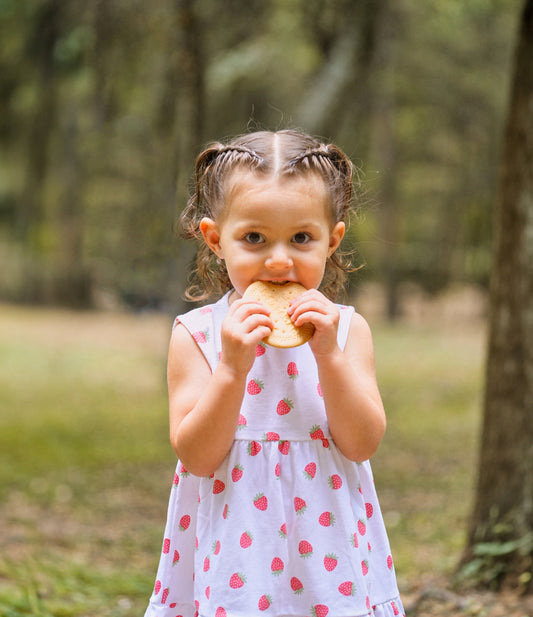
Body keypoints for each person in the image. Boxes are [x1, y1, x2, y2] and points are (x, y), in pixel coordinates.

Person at [144, 130, 404, 617]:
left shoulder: (348, 331)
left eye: (302, 238)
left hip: (329, 549)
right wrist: (231, 370)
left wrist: (329, 357)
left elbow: (362, 443)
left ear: (333, 240)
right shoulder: (198, 335)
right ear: (216, 239)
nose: (280, 260)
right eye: (254, 238)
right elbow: (197, 457)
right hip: (237, 548)